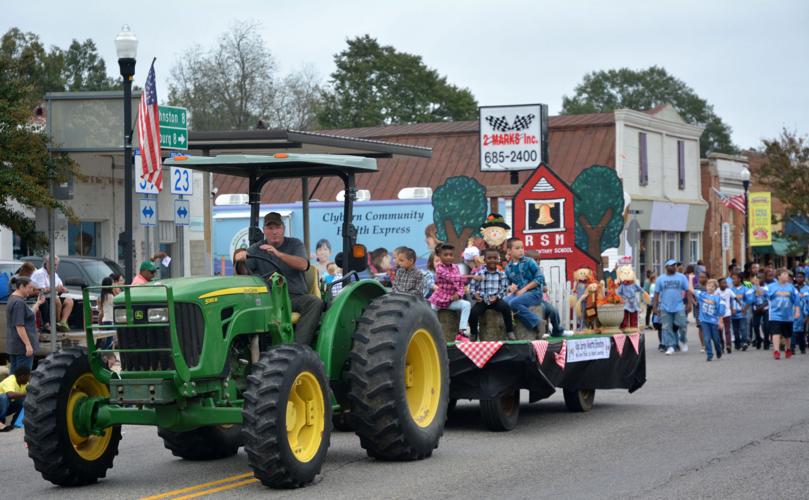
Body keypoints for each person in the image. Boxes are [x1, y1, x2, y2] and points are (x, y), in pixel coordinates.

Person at [247, 212, 322, 345]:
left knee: (314, 302)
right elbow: (244, 274)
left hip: (293, 297)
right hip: (268, 299)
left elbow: (304, 265)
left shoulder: (295, 244)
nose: (274, 231)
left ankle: (298, 347)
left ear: (283, 229)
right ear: (264, 230)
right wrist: (239, 259)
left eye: (277, 227)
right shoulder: (255, 249)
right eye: (270, 228)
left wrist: (277, 254)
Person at [504, 237, 562, 336]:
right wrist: (510, 288)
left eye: (522, 247)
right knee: (504, 301)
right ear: (509, 251)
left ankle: (538, 322)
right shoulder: (508, 268)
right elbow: (507, 284)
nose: (521, 250)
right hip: (519, 295)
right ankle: (510, 329)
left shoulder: (529, 261)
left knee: (514, 303)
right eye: (517, 248)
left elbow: (539, 277)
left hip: (534, 293)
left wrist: (524, 289)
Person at [469, 248, 514, 341]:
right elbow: (472, 286)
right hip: (483, 300)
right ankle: (473, 333)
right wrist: (475, 295)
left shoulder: (502, 274)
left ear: (498, 259)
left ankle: (510, 331)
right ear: (484, 260)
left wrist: (497, 296)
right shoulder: (480, 273)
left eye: (495, 258)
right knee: (473, 313)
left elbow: (504, 289)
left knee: (506, 308)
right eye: (489, 258)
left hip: (496, 300)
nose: (492, 260)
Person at [429, 243, 471, 342]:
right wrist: (470, 276)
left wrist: (459, 294)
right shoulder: (439, 268)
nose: (449, 257)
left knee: (466, 304)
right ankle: (433, 334)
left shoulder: (455, 267)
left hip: (451, 301)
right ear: (439, 256)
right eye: (445, 255)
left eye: (451, 255)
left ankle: (462, 333)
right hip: (439, 301)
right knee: (431, 311)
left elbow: (460, 283)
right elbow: (451, 277)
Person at [5, 276, 45, 373]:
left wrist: (38, 303)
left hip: (15, 346)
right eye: (30, 287)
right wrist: (28, 345)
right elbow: (19, 326)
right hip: (22, 348)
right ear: (22, 286)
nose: (31, 290)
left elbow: (29, 313)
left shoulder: (13, 298)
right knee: (22, 378)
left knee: (14, 378)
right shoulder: (19, 303)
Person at [652, 259, 691, 355]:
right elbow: (656, 294)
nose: (673, 267)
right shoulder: (660, 279)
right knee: (666, 327)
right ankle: (670, 346)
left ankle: (683, 340)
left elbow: (688, 291)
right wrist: (655, 307)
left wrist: (689, 304)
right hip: (665, 307)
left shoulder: (681, 277)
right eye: (671, 265)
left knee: (682, 325)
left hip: (679, 306)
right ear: (666, 267)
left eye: (674, 265)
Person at [760, 269, 800, 360]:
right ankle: (776, 351)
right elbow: (760, 292)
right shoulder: (770, 286)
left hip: (788, 315)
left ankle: (788, 349)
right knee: (776, 333)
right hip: (775, 315)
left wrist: (797, 311)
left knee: (787, 335)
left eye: (787, 274)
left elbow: (797, 300)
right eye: (785, 274)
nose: (787, 276)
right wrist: (755, 284)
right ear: (779, 276)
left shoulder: (791, 287)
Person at [30, 255, 73, 332]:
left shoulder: (55, 275)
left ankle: (62, 322)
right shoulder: (40, 273)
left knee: (69, 301)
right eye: (53, 265)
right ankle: (56, 323)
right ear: (46, 264)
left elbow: (60, 287)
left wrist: (63, 289)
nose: (55, 267)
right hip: (41, 297)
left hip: (53, 296)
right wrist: (55, 288)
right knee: (56, 299)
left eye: (56, 265)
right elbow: (40, 290)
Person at [693, 279, 724, 362]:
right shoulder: (702, 295)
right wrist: (690, 278)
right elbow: (691, 289)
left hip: (713, 321)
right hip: (704, 321)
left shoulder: (718, 299)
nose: (710, 287)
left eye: (712, 286)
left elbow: (721, 312)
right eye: (708, 285)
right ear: (706, 287)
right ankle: (709, 354)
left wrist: (720, 322)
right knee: (706, 338)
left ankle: (718, 350)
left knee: (716, 339)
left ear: (715, 288)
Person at [0, 365, 30, 431]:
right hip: (2, 404)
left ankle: (15, 423)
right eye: (28, 376)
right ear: (22, 376)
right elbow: (10, 395)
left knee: (25, 401)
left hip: (6, 407)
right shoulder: (10, 380)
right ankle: (1, 421)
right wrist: (26, 394)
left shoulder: (24, 383)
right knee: (4, 397)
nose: (29, 378)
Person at [729, 272, 750, 351]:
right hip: (733, 313)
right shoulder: (730, 289)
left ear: (739, 279)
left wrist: (745, 309)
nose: (732, 280)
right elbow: (728, 301)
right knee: (735, 329)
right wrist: (731, 309)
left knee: (743, 328)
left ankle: (744, 342)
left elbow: (749, 300)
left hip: (742, 312)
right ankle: (737, 343)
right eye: (732, 279)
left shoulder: (745, 288)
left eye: (734, 278)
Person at [791, 271, 808, 354]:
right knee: (793, 329)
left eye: (801, 277)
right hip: (793, 311)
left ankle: (802, 347)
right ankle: (792, 348)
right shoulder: (793, 288)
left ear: (804, 278)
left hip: (804, 312)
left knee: (801, 330)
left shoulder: (807, 288)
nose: (799, 278)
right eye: (797, 277)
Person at [716, 277, 735, 353]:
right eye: (723, 283)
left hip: (727, 313)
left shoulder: (729, 290)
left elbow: (734, 297)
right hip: (719, 314)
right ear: (719, 284)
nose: (725, 284)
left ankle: (728, 345)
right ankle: (721, 345)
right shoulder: (716, 291)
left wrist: (734, 307)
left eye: (726, 283)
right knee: (720, 330)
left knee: (727, 330)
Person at [692, 271, 707, 352]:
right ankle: (703, 345)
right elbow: (691, 296)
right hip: (698, 310)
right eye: (700, 277)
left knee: (707, 327)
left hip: (708, 309)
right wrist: (694, 302)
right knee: (700, 327)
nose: (702, 279)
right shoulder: (696, 287)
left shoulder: (709, 286)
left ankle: (707, 342)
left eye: (704, 277)